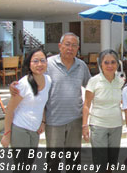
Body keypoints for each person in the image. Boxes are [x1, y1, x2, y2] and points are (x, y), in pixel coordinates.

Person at [10, 33, 91, 172]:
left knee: (74, 160)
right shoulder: (48, 63)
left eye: (74, 45)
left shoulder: (82, 66)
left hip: (75, 120)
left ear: (78, 48)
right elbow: (33, 77)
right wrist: (14, 85)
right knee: (53, 161)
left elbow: (92, 87)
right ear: (60, 46)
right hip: (54, 120)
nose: (70, 48)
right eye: (67, 44)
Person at [82, 49, 124, 172]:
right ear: (101, 64)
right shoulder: (94, 81)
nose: (110, 66)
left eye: (113, 62)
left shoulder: (120, 82)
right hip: (98, 125)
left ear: (117, 64)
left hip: (116, 125)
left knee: (112, 161)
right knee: (100, 162)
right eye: (106, 62)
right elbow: (86, 105)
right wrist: (85, 125)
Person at [1, 48, 51, 149]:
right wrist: (6, 134)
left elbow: (42, 104)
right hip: (20, 129)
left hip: (35, 129)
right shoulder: (23, 84)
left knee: (30, 162)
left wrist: (43, 122)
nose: (40, 64)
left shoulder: (48, 80)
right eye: (35, 61)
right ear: (29, 64)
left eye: (42, 60)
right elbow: (9, 110)